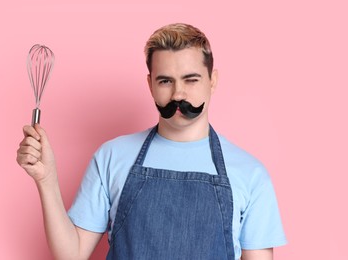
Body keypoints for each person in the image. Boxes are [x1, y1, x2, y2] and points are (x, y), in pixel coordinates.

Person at [17, 23, 287, 260]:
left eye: (190, 80)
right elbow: (72, 254)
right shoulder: (112, 156)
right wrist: (47, 180)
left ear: (212, 80)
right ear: (150, 84)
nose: (178, 93)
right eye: (165, 81)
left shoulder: (250, 174)